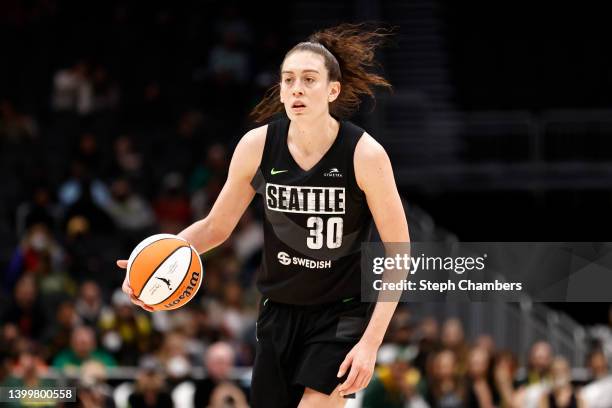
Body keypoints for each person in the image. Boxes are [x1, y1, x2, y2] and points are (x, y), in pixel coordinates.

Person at [118, 23, 409, 407]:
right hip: (277, 312)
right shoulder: (257, 146)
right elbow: (215, 227)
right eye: (288, 80)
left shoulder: (365, 154)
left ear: (333, 90)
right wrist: (151, 264)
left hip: (341, 314)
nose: (296, 89)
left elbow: (399, 251)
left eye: (308, 79)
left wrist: (371, 342)